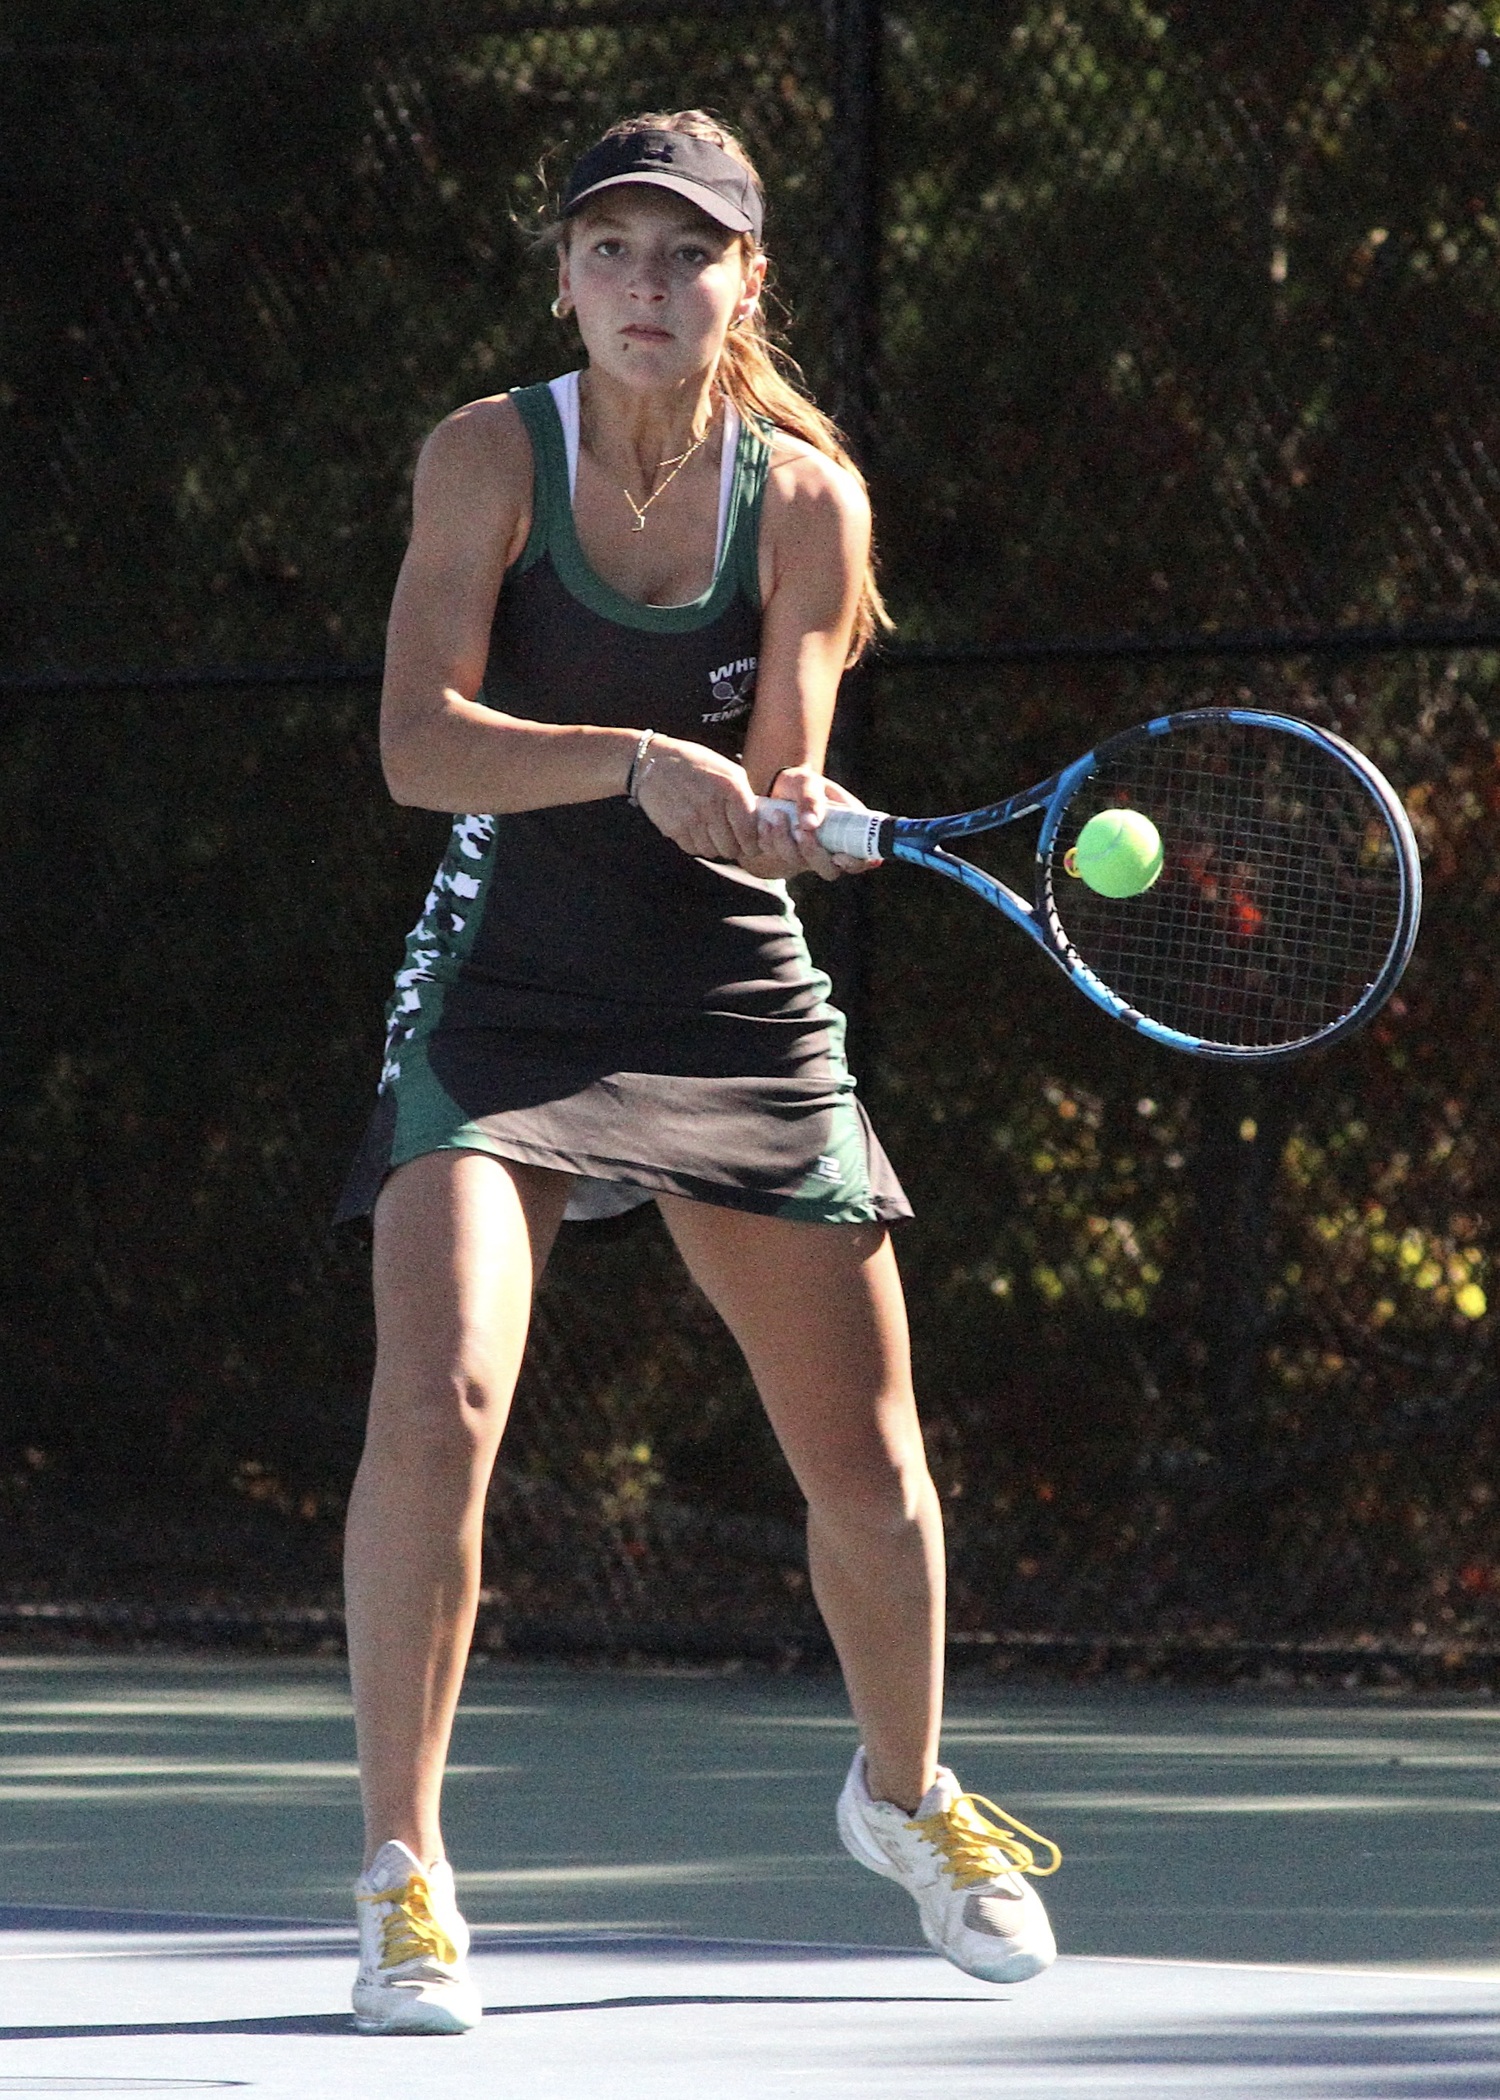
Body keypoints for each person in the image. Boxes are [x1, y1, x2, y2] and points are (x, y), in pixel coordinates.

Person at [334, 108, 1061, 2036]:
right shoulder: (488, 457)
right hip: (504, 997)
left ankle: (906, 1797)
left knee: (872, 1462)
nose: (648, 288)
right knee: (446, 1397)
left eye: (688, 255)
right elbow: (419, 744)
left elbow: (782, 753)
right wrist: (628, 760)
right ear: (565, 275)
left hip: (725, 995)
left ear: (747, 285)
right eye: (613, 253)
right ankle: (405, 1876)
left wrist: (785, 807)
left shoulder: (810, 501)